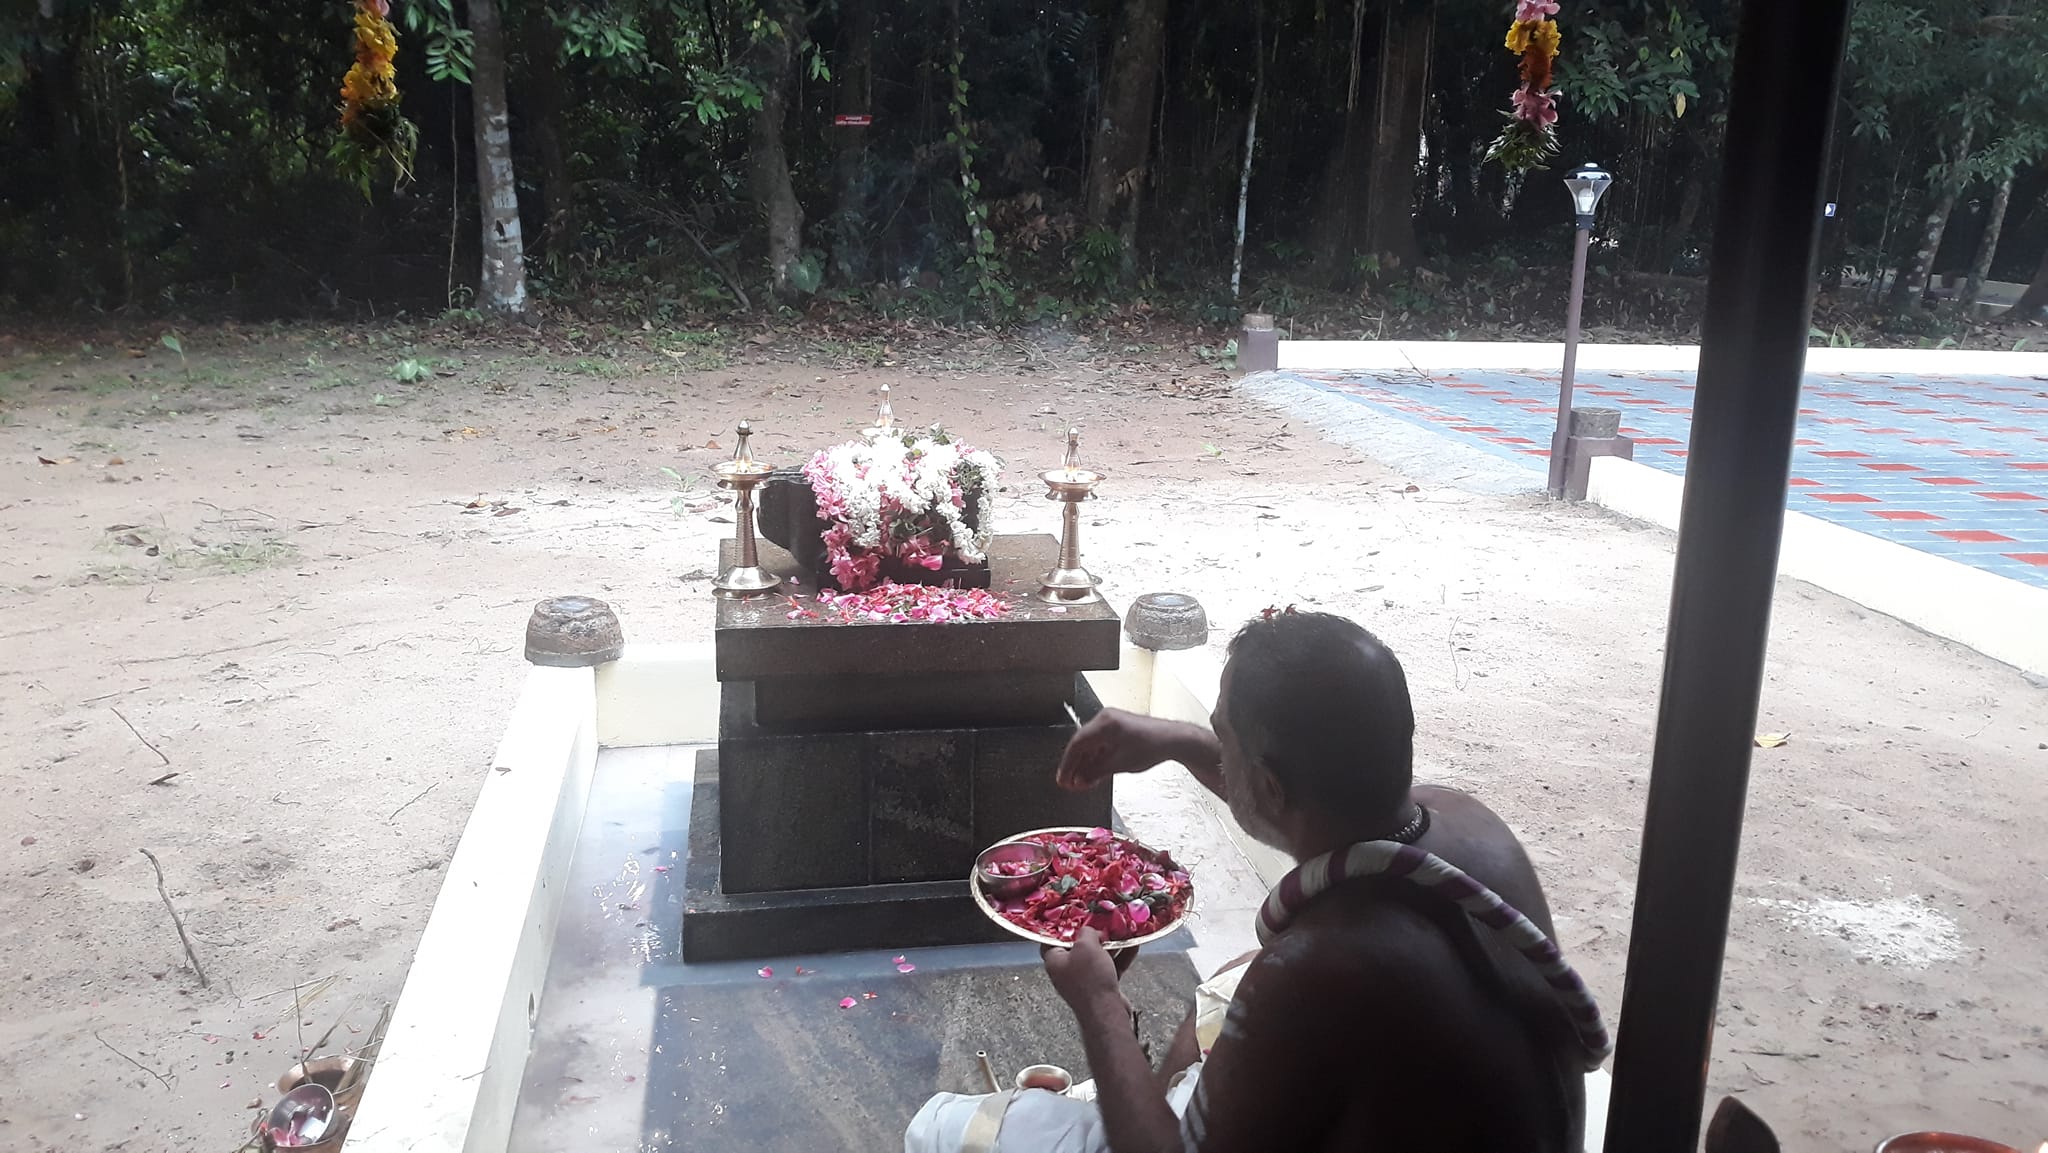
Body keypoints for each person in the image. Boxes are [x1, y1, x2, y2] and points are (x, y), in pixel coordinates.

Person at [906, 609, 1608, 1153]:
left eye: (1222, 733)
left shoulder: (1320, 966)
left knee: (941, 1127)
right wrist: (1178, 743)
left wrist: (1098, 1004)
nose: (1211, 739)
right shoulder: (1464, 824)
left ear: (1269, 783)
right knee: (1234, 972)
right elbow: (1314, 805)